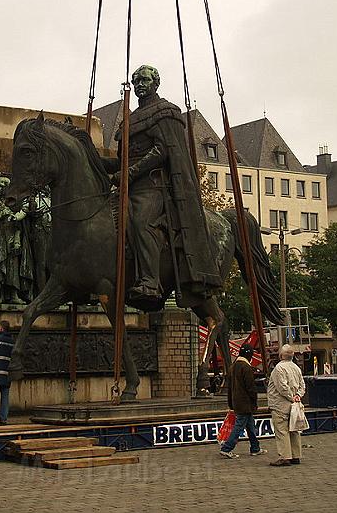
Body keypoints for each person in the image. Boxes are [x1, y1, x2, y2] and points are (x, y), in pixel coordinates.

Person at [102, 65, 222, 301]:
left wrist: (131, 172)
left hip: (153, 186)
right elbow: (121, 161)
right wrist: (92, 160)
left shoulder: (165, 112)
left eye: (144, 80)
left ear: (156, 83)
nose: (139, 85)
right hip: (130, 185)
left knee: (141, 221)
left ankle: (150, 281)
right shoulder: (132, 119)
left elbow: (162, 150)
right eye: (135, 81)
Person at [219, 343, 265, 459]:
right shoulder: (246, 367)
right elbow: (251, 388)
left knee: (250, 425)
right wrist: (254, 402)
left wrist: (230, 403)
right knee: (239, 426)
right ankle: (227, 448)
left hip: (236, 401)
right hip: (245, 403)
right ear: (249, 355)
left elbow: (230, 388)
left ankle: (255, 448)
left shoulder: (233, 367)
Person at [267, 344, 306, 467]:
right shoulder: (296, 368)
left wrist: (291, 396)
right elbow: (302, 385)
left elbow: (282, 387)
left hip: (280, 405)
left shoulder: (279, 368)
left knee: (282, 430)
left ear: (280, 355)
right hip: (295, 406)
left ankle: (285, 456)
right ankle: (296, 455)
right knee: (294, 430)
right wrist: (298, 396)